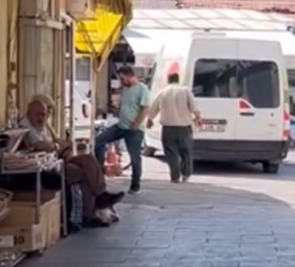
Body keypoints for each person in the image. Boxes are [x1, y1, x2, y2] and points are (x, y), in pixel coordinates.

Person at [20, 99, 122, 227]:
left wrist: (62, 146)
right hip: (50, 166)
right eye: (38, 114)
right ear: (29, 113)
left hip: (59, 157)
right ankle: (91, 212)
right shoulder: (26, 128)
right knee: (85, 173)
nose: (42, 117)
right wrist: (58, 146)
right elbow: (44, 146)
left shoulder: (43, 125)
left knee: (89, 160)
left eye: (44, 114)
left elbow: (57, 142)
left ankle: (101, 196)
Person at [94, 66, 150, 194]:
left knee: (135, 157)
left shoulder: (142, 89)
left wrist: (136, 124)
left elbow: (145, 109)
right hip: (121, 126)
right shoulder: (125, 89)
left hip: (134, 130)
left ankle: (135, 185)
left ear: (130, 76)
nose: (121, 81)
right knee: (99, 140)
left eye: (123, 78)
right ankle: (99, 172)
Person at [147, 71, 202, 183]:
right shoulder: (185, 91)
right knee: (186, 152)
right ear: (178, 80)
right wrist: (198, 118)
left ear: (168, 80)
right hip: (184, 128)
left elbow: (153, 107)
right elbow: (193, 106)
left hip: (168, 128)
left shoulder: (162, 92)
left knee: (171, 153)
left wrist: (150, 119)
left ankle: (175, 176)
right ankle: (186, 173)